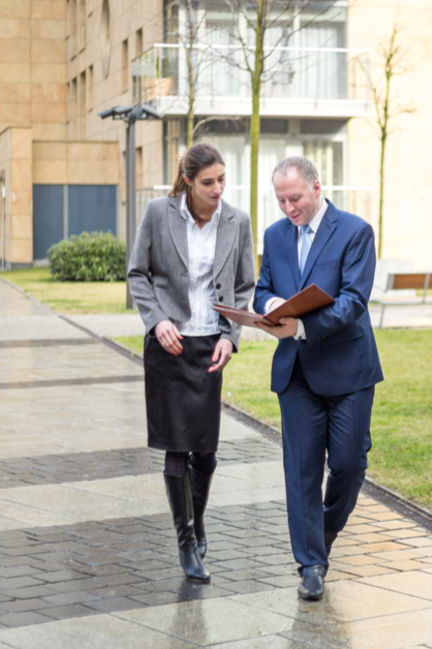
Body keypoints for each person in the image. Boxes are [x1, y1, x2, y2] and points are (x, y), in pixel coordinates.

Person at [253, 156, 383, 601]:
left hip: (348, 370)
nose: (289, 207)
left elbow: (353, 300)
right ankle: (310, 564)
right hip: (297, 373)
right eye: (281, 199)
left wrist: (303, 326)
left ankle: (324, 529)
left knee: (348, 464)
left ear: (317, 187)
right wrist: (269, 305)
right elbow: (263, 286)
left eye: (296, 198)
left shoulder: (355, 231)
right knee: (302, 471)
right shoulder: (274, 235)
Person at [127, 142, 255, 583]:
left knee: (207, 450)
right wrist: (157, 320)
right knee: (176, 447)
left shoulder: (237, 221)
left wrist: (230, 337)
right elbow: (137, 274)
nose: (218, 189)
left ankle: (197, 523)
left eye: (222, 179)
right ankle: (186, 542)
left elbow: (244, 285)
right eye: (208, 182)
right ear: (188, 182)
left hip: (208, 349)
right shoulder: (158, 214)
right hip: (169, 347)